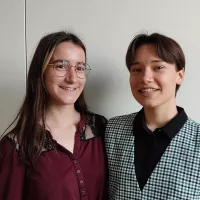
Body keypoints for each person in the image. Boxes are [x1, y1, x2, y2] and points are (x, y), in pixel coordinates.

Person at [0, 31, 107, 200]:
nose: (72, 78)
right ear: (41, 71)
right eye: (61, 66)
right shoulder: (15, 148)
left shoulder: (101, 128)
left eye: (79, 68)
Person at [105, 33, 200, 199]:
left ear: (180, 75)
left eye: (158, 67)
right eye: (136, 69)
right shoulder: (113, 130)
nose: (145, 78)